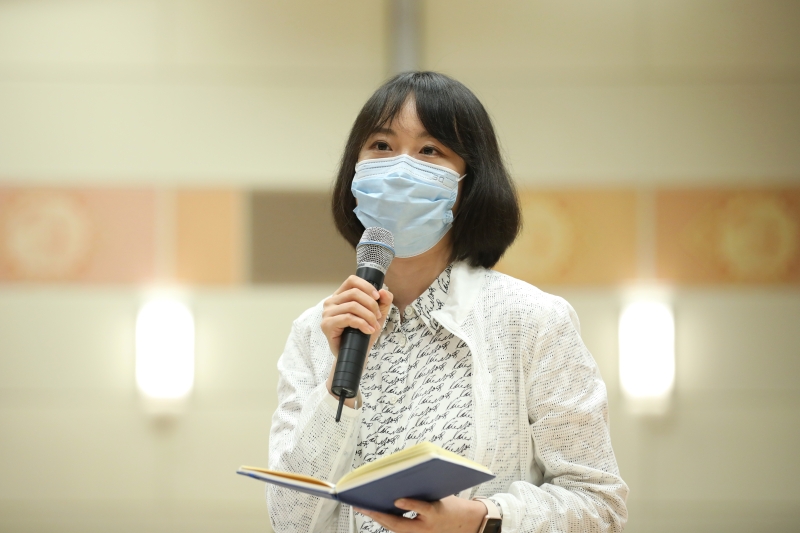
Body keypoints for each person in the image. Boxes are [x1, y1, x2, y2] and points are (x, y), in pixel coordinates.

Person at [267, 71, 628, 533]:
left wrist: (482, 521)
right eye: (381, 145)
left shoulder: (532, 321)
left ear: (467, 183)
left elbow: (600, 506)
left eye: (429, 150)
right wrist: (339, 388)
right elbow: (289, 520)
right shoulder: (314, 331)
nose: (400, 168)